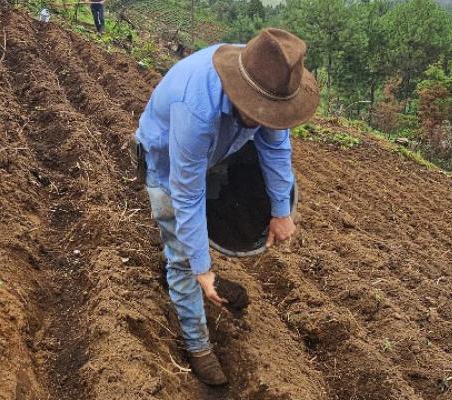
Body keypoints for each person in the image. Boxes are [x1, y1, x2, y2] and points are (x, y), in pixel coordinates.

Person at [134, 29, 319, 386]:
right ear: (238, 92)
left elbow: (276, 149)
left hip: (217, 153)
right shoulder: (196, 108)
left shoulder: (268, 77)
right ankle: (197, 344)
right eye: (257, 111)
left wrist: (281, 211)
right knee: (185, 258)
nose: (265, 118)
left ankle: (186, 257)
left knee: (205, 223)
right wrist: (204, 270)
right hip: (168, 166)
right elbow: (186, 194)